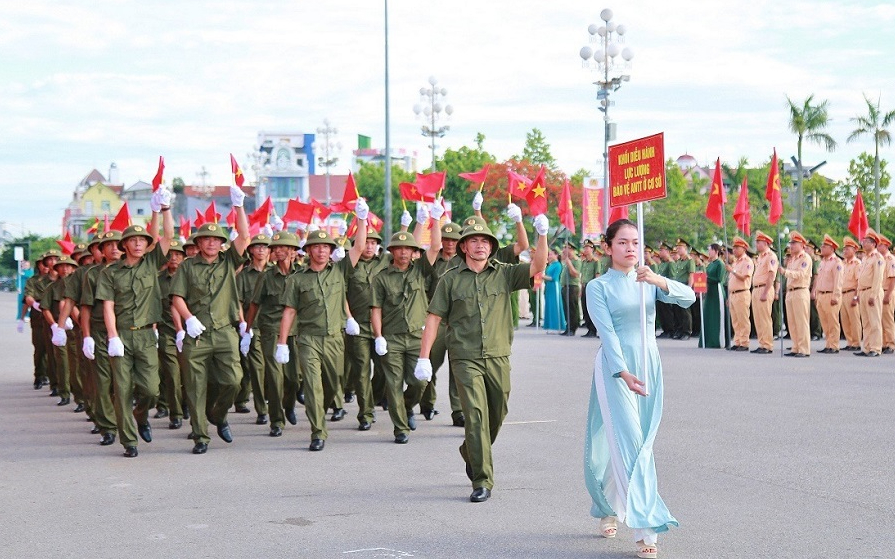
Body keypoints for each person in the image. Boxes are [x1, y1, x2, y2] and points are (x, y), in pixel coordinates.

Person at [415, 213, 549, 503]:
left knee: (497, 412)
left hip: (498, 356)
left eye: (485, 241)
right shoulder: (450, 279)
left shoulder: (504, 273)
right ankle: (482, 479)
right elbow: (434, 317)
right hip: (465, 357)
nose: (480, 246)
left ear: (491, 246)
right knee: (475, 415)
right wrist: (424, 357)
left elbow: (538, 265)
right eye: (473, 241)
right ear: (464, 246)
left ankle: (470, 450)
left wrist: (541, 235)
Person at [583, 219, 695, 559]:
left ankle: (609, 506)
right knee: (627, 441)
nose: (631, 248)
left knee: (641, 442)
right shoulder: (598, 287)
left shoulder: (648, 280)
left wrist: (659, 280)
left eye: (635, 242)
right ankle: (646, 529)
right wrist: (622, 371)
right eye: (622, 243)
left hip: (649, 363)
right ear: (608, 247)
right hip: (616, 369)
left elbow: (689, 298)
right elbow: (607, 333)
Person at [275, 199, 370, 451]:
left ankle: (325, 408)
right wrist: (282, 342)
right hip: (308, 339)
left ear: (330, 251)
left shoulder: (339, 272)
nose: (321, 251)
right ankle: (318, 432)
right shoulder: (296, 280)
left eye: (325, 247)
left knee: (333, 383)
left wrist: (361, 219)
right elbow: (289, 311)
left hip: (335, 339)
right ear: (309, 251)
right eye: (316, 247)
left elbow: (359, 247)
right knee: (313, 385)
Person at [169, 184, 249, 454]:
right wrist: (188, 319)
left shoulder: (228, 262)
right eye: (206, 239)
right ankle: (200, 436)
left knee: (233, 381)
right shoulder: (187, 267)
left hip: (225, 331)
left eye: (216, 239)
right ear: (198, 243)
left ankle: (218, 414)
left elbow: (245, 237)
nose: (212, 243)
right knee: (194, 387)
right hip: (198, 333)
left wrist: (238, 206)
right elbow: (176, 298)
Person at [96, 188, 174, 458]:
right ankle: (129, 441)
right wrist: (112, 336)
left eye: (143, 240)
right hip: (122, 337)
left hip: (145, 336)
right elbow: (108, 306)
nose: (139, 244)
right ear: (125, 245)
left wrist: (163, 209)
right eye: (134, 240)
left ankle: (141, 416)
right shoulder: (110, 273)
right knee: (122, 389)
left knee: (151, 389)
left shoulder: (152, 263)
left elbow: (168, 237)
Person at [371, 222, 441, 444]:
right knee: (392, 384)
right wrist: (378, 336)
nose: (403, 252)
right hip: (391, 338)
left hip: (416, 338)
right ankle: (400, 428)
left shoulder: (420, 270)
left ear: (413, 253)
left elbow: (436, 247)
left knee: (421, 381)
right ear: (392, 251)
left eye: (408, 249)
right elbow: (376, 309)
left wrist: (434, 219)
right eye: (399, 249)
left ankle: (408, 404)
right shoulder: (381, 278)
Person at [244, 230, 302, 437]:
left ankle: (289, 405)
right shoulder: (266, 276)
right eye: (275, 248)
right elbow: (254, 304)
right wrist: (247, 330)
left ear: (293, 250)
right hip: (272, 331)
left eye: (283, 248)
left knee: (294, 378)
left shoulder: (302, 273)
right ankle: (276, 420)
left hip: (297, 332)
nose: (278, 252)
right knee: (275, 377)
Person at [235, 233, 272, 424]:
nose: (261, 250)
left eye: (265, 247)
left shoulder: (275, 272)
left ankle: (278, 404)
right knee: (257, 369)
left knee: (277, 370)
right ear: (250, 250)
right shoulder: (244, 276)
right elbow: (239, 302)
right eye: (257, 247)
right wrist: (244, 325)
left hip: (273, 327)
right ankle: (262, 409)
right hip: (254, 327)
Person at [157, 239, 188, 429]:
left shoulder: (190, 276)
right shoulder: (158, 279)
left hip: (190, 331)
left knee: (189, 375)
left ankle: (186, 406)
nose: (174, 258)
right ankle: (175, 413)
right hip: (166, 331)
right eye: (170, 254)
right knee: (172, 373)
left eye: (178, 254)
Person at [779, 231, 812, 357]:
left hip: (800, 290)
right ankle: (796, 346)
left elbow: (801, 274)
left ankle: (804, 349)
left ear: (802, 245)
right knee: (792, 322)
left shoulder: (805, 258)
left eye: (794, 243)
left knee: (801, 321)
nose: (791, 246)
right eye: (791, 243)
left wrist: (786, 272)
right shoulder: (792, 259)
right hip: (791, 291)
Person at [854, 228, 885, 357]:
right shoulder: (865, 258)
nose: (863, 243)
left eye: (867, 241)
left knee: (874, 321)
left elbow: (878, 278)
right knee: (865, 322)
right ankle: (866, 347)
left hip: (873, 291)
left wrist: (873, 295)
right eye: (863, 241)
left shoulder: (877, 257)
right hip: (863, 291)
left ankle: (876, 348)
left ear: (873, 244)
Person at [812, 235, 843, 354]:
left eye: (824, 246)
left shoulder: (836, 262)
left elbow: (838, 281)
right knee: (825, 322)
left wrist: (835, 296)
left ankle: (834, 345)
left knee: (833, 321)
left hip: (831, 295)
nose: (822, 248)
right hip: (821, 295)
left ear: (832, 248)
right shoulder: (822, 262)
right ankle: (828, 344)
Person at [750, 231, 778, 354]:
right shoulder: (760, 257)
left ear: (765, 243)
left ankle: (767, 344)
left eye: (758, 242)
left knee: (765, 318)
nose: (756, 244)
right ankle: (762, 343)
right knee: (758, 318)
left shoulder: (771, 256)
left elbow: (771, 275)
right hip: (756, 288)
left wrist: (765, 292)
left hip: (764, 288)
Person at [724, 237, 752, 351]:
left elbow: (744, 277)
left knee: (743, 319)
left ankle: (744, 343)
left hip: (742, 293)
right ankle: (738, 341)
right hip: (733, 294)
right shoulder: (736, 262)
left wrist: (732, 271)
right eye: (734, 248)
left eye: (737, 248)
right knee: (735, 320)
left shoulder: (747, 262)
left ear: (744, 249)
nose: (734, 250)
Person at [701, 243, 728, 349]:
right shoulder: (710, 264)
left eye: (710, 250)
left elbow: (719, 279)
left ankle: (717, 341)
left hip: (717, 291)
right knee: (708, 315)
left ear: (716, 251)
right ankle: (708, 340)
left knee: (716, 316)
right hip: (709, 291)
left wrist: (705, 278)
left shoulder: (720, 264)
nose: (709, 252)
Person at [839, 236, 863, 351]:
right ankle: (849, 342)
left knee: (854, 319)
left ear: (854, 250)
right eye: (844, 249)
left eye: (847, 249)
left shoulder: (857, 263)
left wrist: (855, 296)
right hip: (842, 294)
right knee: (845, 319)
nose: (845, 251)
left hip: (851, 293)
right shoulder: (843, 263)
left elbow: (858, 281)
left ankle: (856, 343)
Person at [877, 235, 895, 354]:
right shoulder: (880, 259)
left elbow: (893, 278)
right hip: (879, 291)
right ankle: (883, 343)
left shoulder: (890, 259)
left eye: (880, 245)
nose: (878, 247)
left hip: (887, 291)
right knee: (880, 319)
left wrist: (888, 295)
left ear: (886, 246)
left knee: (888, 319)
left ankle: (891, 344)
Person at [560, 241, 582, 336]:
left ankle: (573, 327)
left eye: (567, 248)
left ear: (572, 249)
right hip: (565, 287)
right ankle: (568, 326)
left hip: (572, 287)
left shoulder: (576, 261)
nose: (564, 250)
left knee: (572, 309)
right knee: (566, 308)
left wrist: (569, 264)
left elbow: (575, 274)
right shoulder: (567, 260)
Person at [579, 240, 601, 338]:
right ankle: (588, 328)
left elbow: (597, 275)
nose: (586, 249)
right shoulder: (584, 262)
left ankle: (593, 329)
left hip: (591, 287)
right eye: (585, 247)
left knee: (591, 309)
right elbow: (582, 276)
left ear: (592, 249)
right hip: (584, 286)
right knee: (585, 308)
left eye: (588, 248)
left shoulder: (596, 262)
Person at [542, 249, 566, 332]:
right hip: (548, 286)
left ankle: (557, 326)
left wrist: (542, 276)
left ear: (556, 255)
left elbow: (554, 278)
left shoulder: (558, 265)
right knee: (549, 305)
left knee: (555, 305)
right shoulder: (550, 265)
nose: (549, 256)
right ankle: (550, 325)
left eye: (551, 254)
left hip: (554, 286)